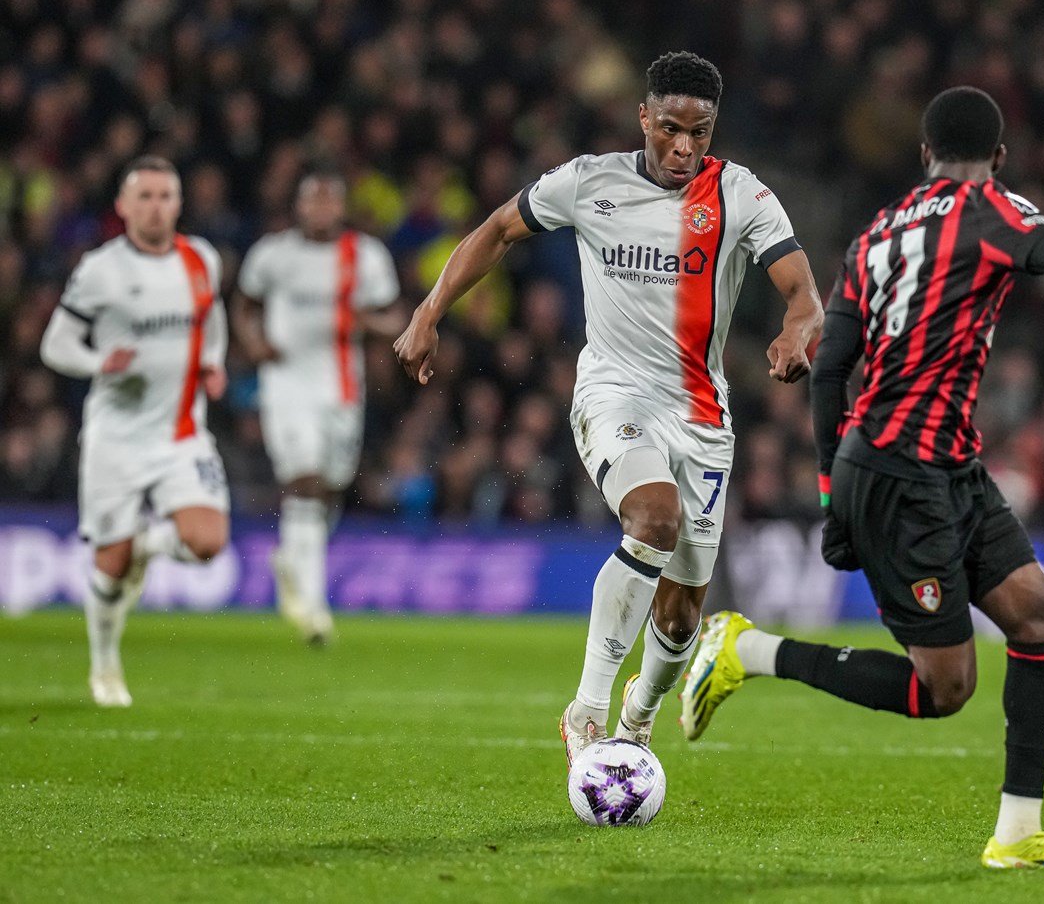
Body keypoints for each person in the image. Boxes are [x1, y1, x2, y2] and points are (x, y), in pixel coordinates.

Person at [680, 86, 1044, 871]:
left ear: (923, 153)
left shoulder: (872, 238)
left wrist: (830, 490)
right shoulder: (993, 210)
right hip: (900, 474)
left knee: (1040, 623)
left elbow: (828, 373)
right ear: (997, 159)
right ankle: (747, 650)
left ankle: (1017, 833)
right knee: (943, 688)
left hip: (936, 466)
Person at [393, 52, 822, 763]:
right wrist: (430, 309)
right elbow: (498, 229)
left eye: (701, 133)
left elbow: (805, 294)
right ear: (644, 117)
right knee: (653, 517)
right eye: (672, 128)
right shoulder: (588, 182)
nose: (685, 147)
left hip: (701, 417)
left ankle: (637, 712)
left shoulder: (740, 195)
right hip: (613, 392)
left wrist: (792, 330)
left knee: (682, 615)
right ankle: (588, 710)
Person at [40, 155, 232, 707]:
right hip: (116, 438)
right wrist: (100, 362)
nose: (155, 207)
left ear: (179, 203)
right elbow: (55, 344)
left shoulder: (201, 259)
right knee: (111, 564)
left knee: (207, 541)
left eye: (165, 196)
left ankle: (150, 546)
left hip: (181, 432)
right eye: (143, 197)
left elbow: (210, 317)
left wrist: (214, 361)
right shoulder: (101, 269)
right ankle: (104, 667)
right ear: (123, 207)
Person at [234, 169, 402, 644]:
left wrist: (362, 319)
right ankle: (312, 605)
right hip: (286, 380)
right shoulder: (274, 254)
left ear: (342, 208)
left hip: (342, 384)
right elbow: (244, 304)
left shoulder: (364, 256)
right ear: (299, 205)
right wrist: (254, 342)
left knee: (330, 487)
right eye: (314, 200)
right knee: (303, 478)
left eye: (331, 201)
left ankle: (292, 561)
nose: (322, 209)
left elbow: (394, 319)